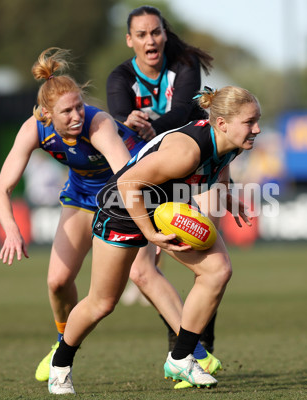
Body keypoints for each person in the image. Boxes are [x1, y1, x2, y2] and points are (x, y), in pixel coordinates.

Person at [0, 47, 219, 386]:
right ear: (45, 116)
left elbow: (127, 177)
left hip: (129, 194)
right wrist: (11, 229)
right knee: (57, 281)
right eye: (66, 111)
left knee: (143, 272)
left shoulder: (99, 125)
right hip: (82, 196)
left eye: (79, 106)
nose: (76, 116)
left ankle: (196, 352)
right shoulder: (33, 129)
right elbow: (2, 190)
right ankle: (62, 342)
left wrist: (150, 228)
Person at [48, 86, 261, 394]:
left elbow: (221, 166)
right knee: (102, 303)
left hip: (165, 206)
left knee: (218, 271)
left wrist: (228, 197)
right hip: (122, 206)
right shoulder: (186, 152)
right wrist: (149, 233)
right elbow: (126, 183)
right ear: (222, 124)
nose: (257, 128)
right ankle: (60, 364)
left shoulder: (234, 142)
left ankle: (181, 356)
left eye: (257, 121)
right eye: (250, 122)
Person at [107, 6, 220, 373]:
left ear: (164, 35)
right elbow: (122, 121)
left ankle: (201, 344)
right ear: (130, 40)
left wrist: (151, 126)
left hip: (192, 168)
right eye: (141, 34)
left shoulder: (185, 65)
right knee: (144, 270)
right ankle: (186, 347)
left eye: (155, 32)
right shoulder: (120, 76)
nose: (150, 40)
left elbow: (188, 112)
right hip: (149, 177)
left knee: (203, 255)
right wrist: (130, 121)